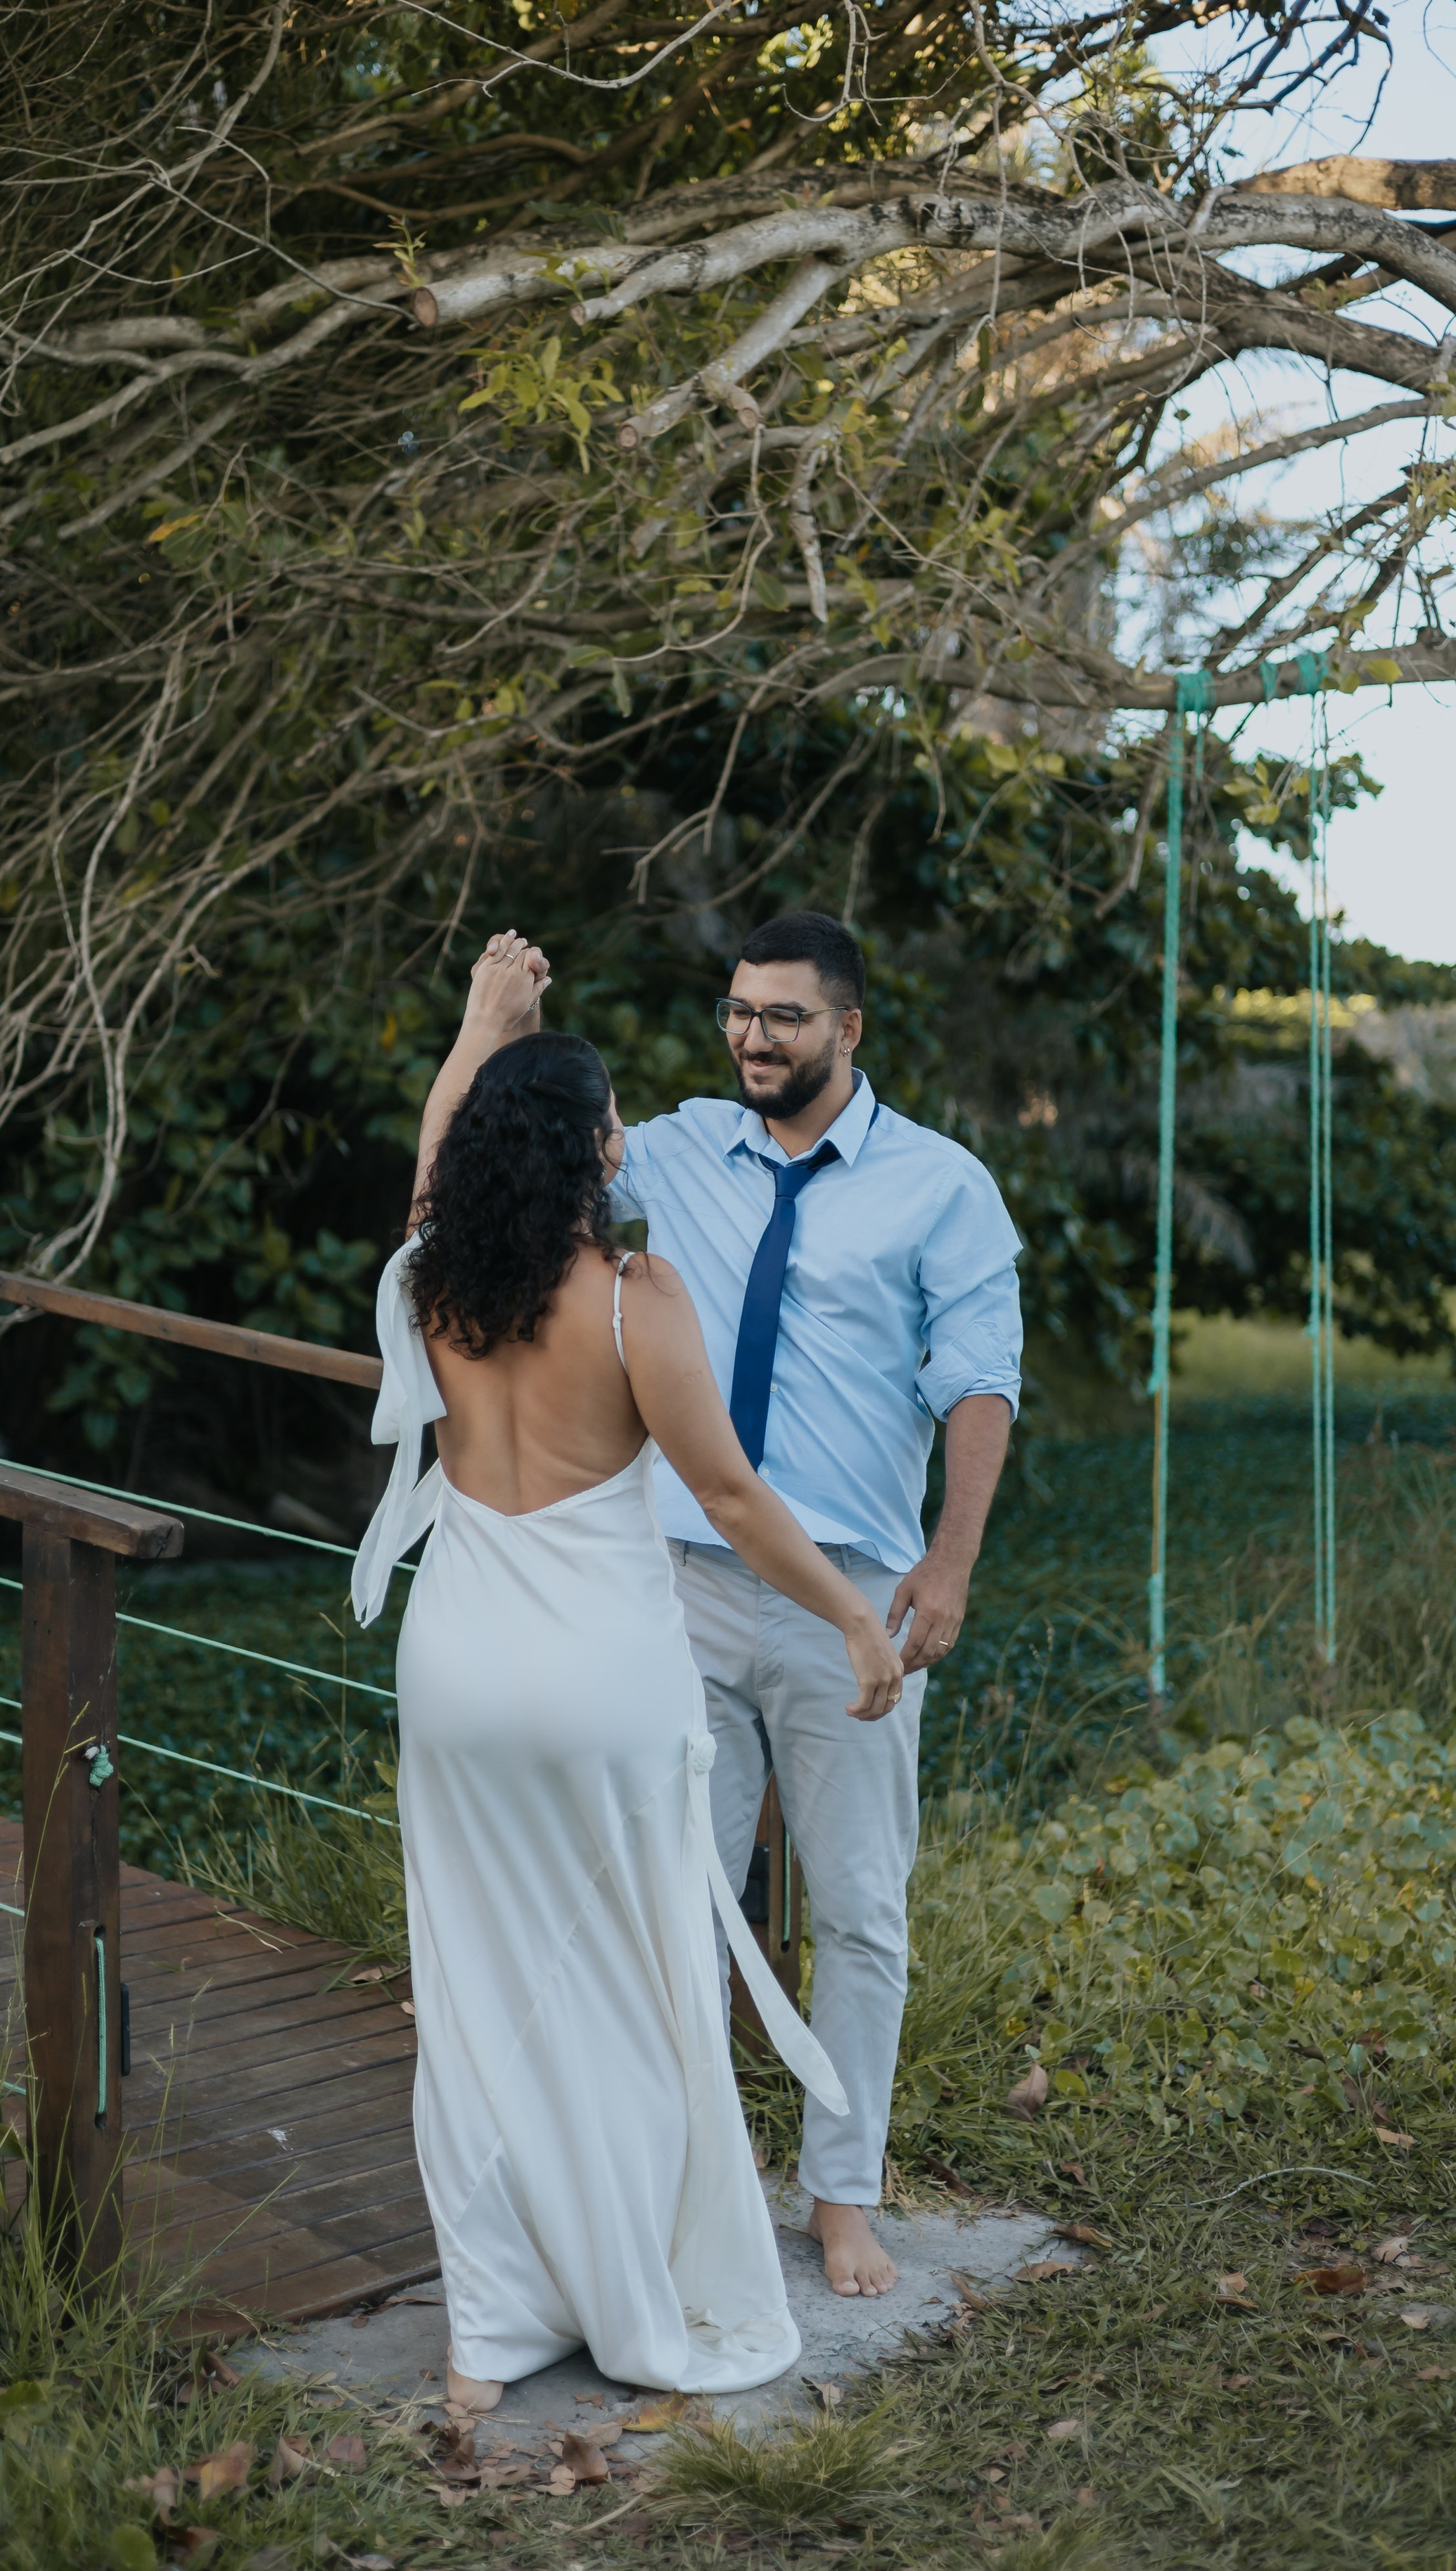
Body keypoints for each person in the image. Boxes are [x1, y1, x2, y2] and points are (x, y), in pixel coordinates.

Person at [352, 932, 909, 2411]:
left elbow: (431, 1161)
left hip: (459, 1671)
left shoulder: (435, 1283)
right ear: (598, 1146)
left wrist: (479, 1019)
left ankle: (494, 2329)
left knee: (475, 1995)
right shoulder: (632, 1296)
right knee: (631, 1986)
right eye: (610, 1123)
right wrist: (854, 1620)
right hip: (602, 1682)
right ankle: (633, 2294)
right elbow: (728, 1499)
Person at [608, 908, 1022, 2301]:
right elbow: (500, 1156)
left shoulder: (941, 1187)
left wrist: (949, 1562)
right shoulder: (668, 1154)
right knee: (675, 1901)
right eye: (735, 1010)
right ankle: (685, 2184)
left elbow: (978, 1380)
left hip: (848, 1595)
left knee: (853, 1908)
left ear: (846, 1030)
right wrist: (494, 1015)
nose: (750, 1036)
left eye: (781, 1017)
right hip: (676, 1587)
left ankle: (839, 2194)